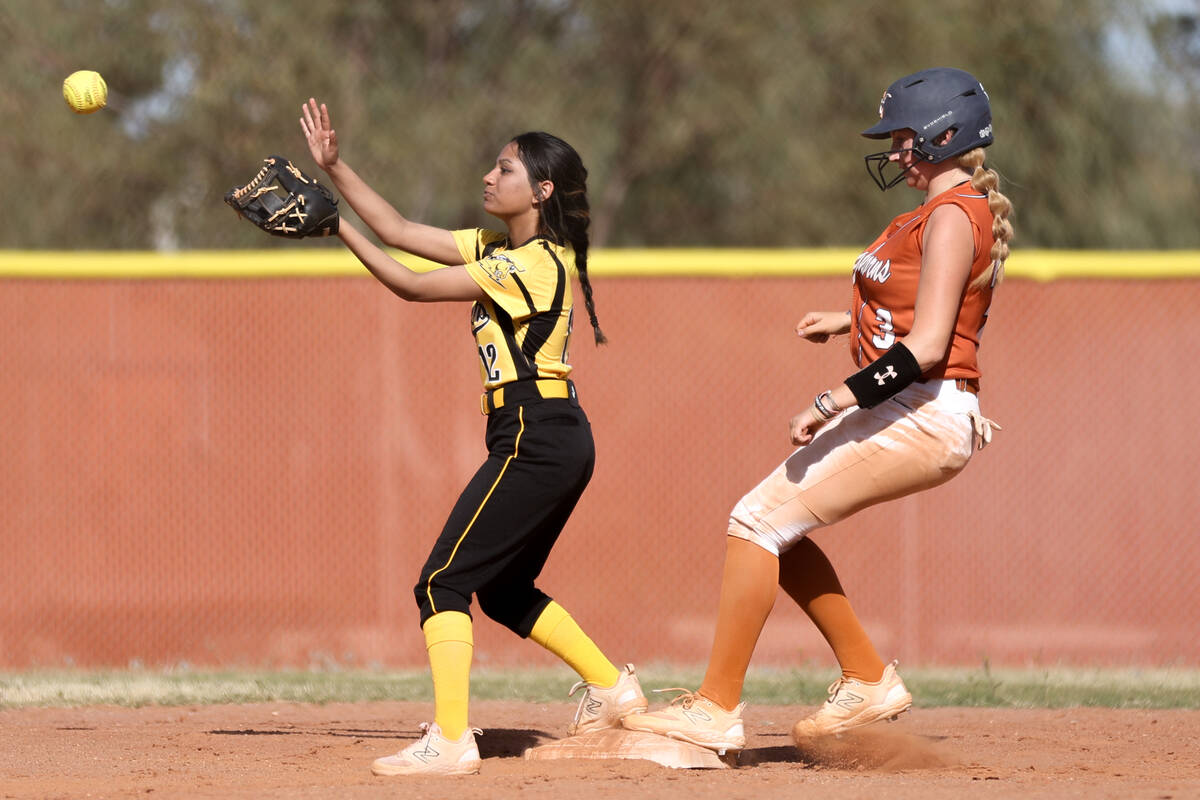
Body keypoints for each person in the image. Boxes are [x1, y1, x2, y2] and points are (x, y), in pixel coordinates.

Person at [622, 67, 1013, 754]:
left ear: (943, 134)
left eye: (902, 137)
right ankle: (864, 678)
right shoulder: (941, 212)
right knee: (778, 528)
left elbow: (926, 347)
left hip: (924, 409)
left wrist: (831, 397)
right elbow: (925, 317)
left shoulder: (953, 214)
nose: (894, 152)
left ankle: (715, 708)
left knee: (753, 521)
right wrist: (846, 320)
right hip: (913, 403)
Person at [297, 98, 647, 776]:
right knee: (504, 588)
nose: (490, 176)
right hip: (544, 434)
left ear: (541, 191)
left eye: (506, 168)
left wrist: (334, 227)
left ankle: (451, 742)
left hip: (535, 433)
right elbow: (398, 230)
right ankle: (613, 689)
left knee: (440, 584)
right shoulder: (498, 248)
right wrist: (336, 169)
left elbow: (407, 283)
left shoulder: (537, 263)